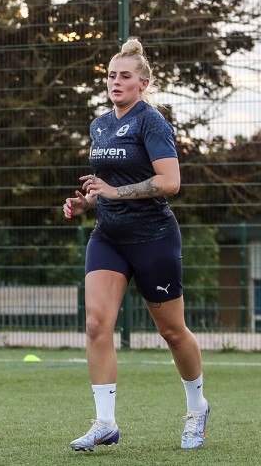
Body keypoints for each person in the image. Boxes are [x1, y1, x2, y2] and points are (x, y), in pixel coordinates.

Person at [64, 37, 210, 451]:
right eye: (111, 75)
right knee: (96, 324)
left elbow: (170, 181)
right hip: (108, 237)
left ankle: (197, 408)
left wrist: (113, 192)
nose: (116, 82)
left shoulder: (152, 122)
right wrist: (88, 201)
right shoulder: (99, 125)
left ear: (143, 83)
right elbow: (108, 186)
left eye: (125, 76)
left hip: (153, 238)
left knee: (172, 331)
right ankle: (105, 423)